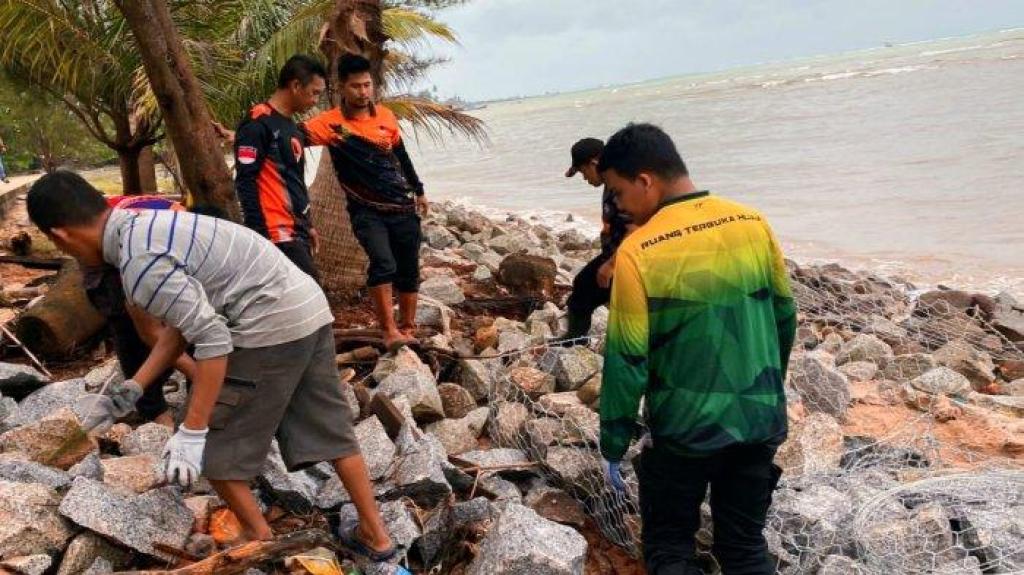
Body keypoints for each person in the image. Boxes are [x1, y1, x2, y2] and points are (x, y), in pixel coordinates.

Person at [26, 171, 395, 558]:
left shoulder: (140, 264)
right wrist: (135, 386)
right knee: (331, 427)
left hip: (266, 323)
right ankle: (377, 536)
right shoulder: (147, 223)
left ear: (61, 235)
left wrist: (193, 431)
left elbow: (214, 341)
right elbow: (184, 325)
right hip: (307, 307)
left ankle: (259, 538)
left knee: (212, 451)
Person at [597, 124, 797, 575]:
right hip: (759, 419)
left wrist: (613, 442)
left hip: (685, 432)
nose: (618, 205)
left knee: (670, 549)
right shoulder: (752, 222)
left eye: (619, 192)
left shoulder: (640, 251)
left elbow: (628, 358)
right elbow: (784, 315)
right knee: (745, 548)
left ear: (645, 180)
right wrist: (768, 387)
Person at [301, 54, 428, 352]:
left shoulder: (385, 116)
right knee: (383, 264)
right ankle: (389, 331)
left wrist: (419, 190)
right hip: (366, 211)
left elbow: (401, 155)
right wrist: (242, 136)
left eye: (367, 85)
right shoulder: (330, 124)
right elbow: (285, 138)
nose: (363, 92)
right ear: (342, 88)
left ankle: (408, 328)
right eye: (356, 86)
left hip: (402, 205)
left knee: (408, 268)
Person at [83, 194, 197, 428]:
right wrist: (208, 379)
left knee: (193, 331)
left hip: (146, 249)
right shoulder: (137, 261)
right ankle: (157, 416)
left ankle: (197, 407)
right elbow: (152, 333)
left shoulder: (194, 239)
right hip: (105, 259)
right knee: (130, 337)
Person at [233, 55, 326, 281]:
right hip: (275, 233)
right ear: (295, 85)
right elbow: (245, 181)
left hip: (296, 231)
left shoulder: (290, 126)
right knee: (313, 292)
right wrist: (259, 235)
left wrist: (307, 225)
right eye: (314, 93)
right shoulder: (257, 123)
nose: (315, 101)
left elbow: (293, 181)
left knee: (305, 295)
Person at [562, 137, 634, 340]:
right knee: (581, 289)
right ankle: (575, 341)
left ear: (594, 163)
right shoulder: (613, 179)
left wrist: (611, 265)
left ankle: (574, 342)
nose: (585, 178)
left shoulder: (622, 185)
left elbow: (637, 230)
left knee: (583, 294)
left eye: (583, 172)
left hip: (629, 261)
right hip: (615, 255)